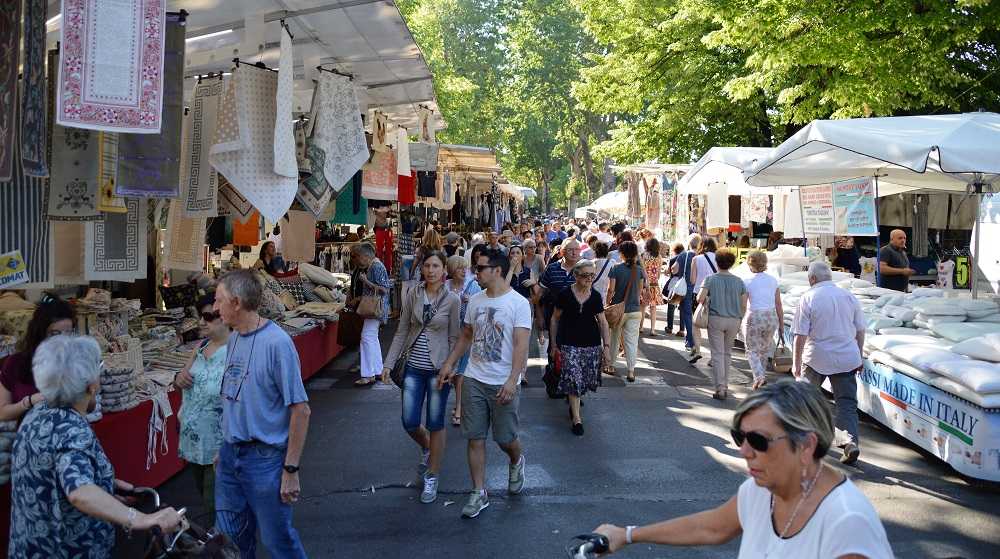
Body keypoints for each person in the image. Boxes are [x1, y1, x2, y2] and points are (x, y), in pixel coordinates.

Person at [591, 380, 894, 559]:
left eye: (759, 441)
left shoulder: (847, 523)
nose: (744, 451)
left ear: (806, 446)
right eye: (740, 437)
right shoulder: (762, 490)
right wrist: (626, 534)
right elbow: (712, 527)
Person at [10, 335, 183, 557]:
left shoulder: (36, 414)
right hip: (69, 550)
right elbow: (80, 492)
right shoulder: (71, 428)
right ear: (91, 386)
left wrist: (105, 483)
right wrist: (142, 519)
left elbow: (55, 472)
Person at [213, 270, 311, 557]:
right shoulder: (234, 339)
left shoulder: (277, 344)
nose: (215, 307)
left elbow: (301, 410)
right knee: (231, 540)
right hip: (230, 456)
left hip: (264, 461)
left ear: (237, 302)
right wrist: (225, 442)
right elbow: (234, 395)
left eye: (219, 300)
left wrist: (290, 469)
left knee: (278, 541)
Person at [439, 249, 531, 519]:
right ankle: (478, 492)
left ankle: (516, 460)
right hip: (474, 379)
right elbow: (466, 335)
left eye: (479, 268)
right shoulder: (476, 300)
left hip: (503, 382)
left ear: (497, 270)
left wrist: (513, 379)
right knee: (475, 437)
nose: (475, 272)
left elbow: (521, 344)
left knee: (505, 438)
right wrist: (450, 363)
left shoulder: (518, 303)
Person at [382, 251, 461, 504]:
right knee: (409, 421)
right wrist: (388, 363)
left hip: (439, 370)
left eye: (435, 266)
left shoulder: (452, 300)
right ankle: (428, 446)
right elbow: (402, 330)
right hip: (413, 368)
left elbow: (454, 337)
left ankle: (433, 474)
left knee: (436, 422)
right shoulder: (413, 294)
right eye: (427, 265)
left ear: (444, 269)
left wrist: (450, 367)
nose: (430, 270)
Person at [793, 261, 866, 465]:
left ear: (812, 278)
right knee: (846, 403)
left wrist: (796, 364)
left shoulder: (808, 297)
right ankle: (849, 441)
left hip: (816, 357)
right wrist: (859, 356)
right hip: (846, 357)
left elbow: (800, 335)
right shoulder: (849, 296)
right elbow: (860, 330)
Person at [170, 295, 229, 525]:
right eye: (200, 317)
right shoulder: (200, 347)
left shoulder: (235, 351)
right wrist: (178, 377)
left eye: (207, 317)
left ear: (224, 316)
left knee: (216, 505)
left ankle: (224, 540)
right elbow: (181, 382)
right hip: (193, 439)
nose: (201, 322)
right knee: (205, 499)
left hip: (219, 444)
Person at [550, 260, 611, 436]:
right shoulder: (565, 294)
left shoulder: (596, 296)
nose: (589, 279)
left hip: (591, 344)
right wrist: (553, 345)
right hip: (569, 344)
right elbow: (554, 319)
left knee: (583, 380)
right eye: (585, 275)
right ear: (576, 275)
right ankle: (577, 419)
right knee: (574, 379)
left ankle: (573, 402)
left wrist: (607, 347)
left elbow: (603, 323)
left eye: (592, 275)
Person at [0, 295, 75, 422]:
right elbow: (2, 413)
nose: (62, 340)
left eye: (68, 333)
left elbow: (90, 406)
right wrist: (30, 401)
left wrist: (85, 390)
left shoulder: (76, 362)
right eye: (54, 334)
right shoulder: (15, 363)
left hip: (67, 431)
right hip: (28, 432)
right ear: (40, 333)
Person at [698, 248, 748, 400]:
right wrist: (740, 317)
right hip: (734, 320)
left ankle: (721, 388)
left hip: (716, 318)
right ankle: (725, 385)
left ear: (717, 262)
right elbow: (744, 304)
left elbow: (700, 298)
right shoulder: (739, 281)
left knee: (717, 354)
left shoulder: (710, 279)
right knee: (727, 353)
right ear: (732, 263)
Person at [446, 254, 482, 427]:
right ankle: (458, 404)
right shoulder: (445, 286)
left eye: (464, 268)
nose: (463, 271)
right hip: (448, 335)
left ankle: (459, 408)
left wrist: (471, 301)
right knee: (452, 373)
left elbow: (481, 309)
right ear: (452, 270)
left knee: (460, 373)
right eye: (459, 268)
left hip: (467, 335)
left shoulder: (473, 286)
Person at [349, 243, 393, 386]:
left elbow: (384, 289)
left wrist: (366, 281)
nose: (357, 260)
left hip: (375, 308)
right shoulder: (375, 266)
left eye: (358, 256)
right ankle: (377, 370)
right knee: (371, 338)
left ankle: (368, 374)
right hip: (376, 308)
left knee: (367, 337)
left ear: (365, 256)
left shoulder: (375, 267)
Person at [606, 241, 647, 383]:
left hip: (618, 310)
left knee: (614, 338)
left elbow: (611, 289)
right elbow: (640, 291)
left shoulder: (615, 268)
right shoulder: (639, 270)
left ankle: (611, 366)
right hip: (635, 310)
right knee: (632, 342)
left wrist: (608, 303)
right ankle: (631, 371)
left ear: (621, 253)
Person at [742, 251, 782, 390]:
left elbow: (743, 305)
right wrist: (781, 323)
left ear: (750, 264)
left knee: (751, 350)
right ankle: (759, 380)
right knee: (764, 350)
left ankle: (759, 377)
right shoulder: (773, 280)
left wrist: (739, 319)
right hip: (771, 316)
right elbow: (778, 304)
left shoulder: (747, 281)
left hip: (755, 316)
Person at [540, 239, 583, 358]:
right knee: (555, 351)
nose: (574, 253)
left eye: (577, 249)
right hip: (555, 318)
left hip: (578, 318)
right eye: (571, 250)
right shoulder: (551, 268)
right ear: (562, 252)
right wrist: (540, 317)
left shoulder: (584, 269)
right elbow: (541, 293)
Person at [689, 237, 718, 362]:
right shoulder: (718, 258)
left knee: (696, 323)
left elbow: (692, 280)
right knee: (713, 326)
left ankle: (698, 350)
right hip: (715, 295)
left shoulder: (696, 259)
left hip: (699, 294)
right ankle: (713, 357)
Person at [671, 235, 701, 356]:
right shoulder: (700, 256)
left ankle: (690, 341)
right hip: (699, 289)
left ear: (689, 243)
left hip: (686, 288)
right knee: (696, 315)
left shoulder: (684, 255)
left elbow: (674, 269)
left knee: (687, 314)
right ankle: (694, 340)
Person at [640, 238, 664, 337]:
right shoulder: (659, 257)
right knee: (653, 308)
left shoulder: (643, 255)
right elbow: (658, 274)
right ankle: (653, 329)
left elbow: (641, 270)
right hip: (654, 284)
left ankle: (641, 327)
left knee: (642, 306)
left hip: (644, 284)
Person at [664, 242, 685, 338]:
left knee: (671, 305)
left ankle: (670, 327)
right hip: (684, 283)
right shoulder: (686, 259)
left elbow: (668, 272)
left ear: (674, 250)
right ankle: (682, 329)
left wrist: (666, 271)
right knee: (683, 307)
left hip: (674, 283)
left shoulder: (673, 259)